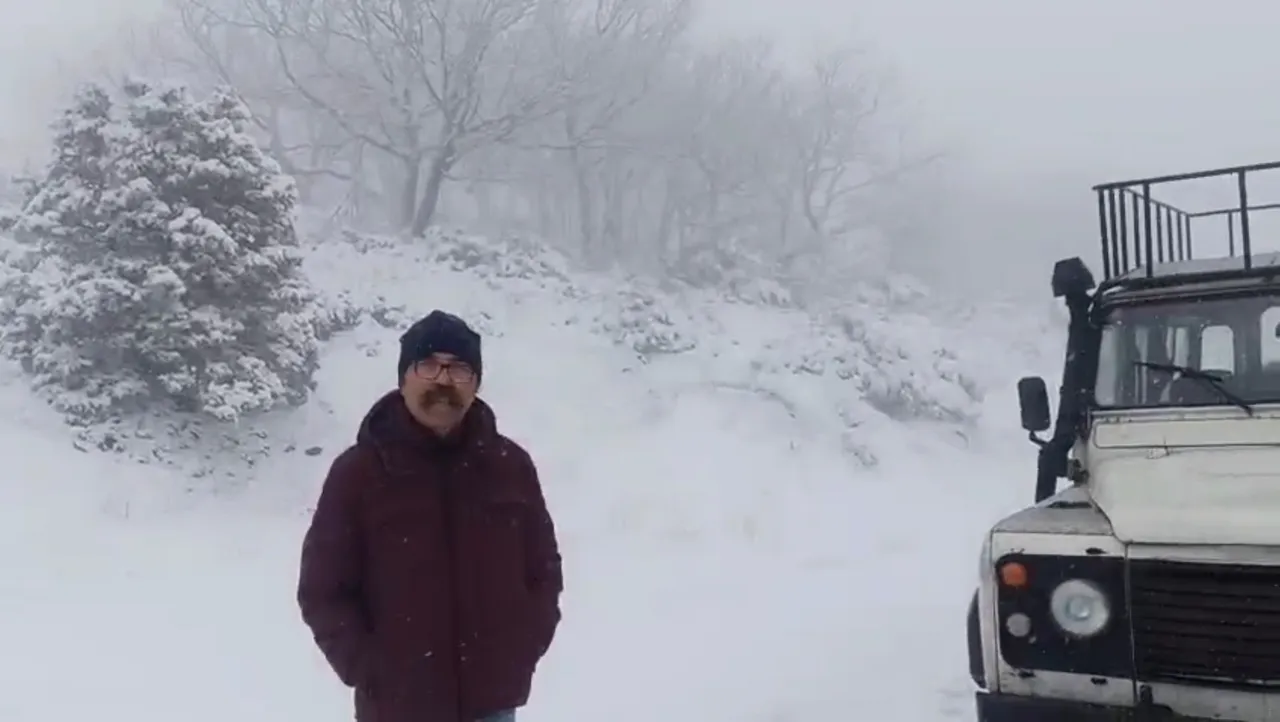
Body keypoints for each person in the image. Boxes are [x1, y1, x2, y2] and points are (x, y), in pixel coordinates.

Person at [297, 310, 563, 722]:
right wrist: (368, 670)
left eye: (459, 369)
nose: (443, 379)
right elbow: (323, 590)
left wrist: (522, 649)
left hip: (492, 706)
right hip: (399, 708)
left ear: (475, 384)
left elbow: (543, 570)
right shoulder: (359, 473)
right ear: (404, 379)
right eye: (428, 365)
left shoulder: (510, 467)